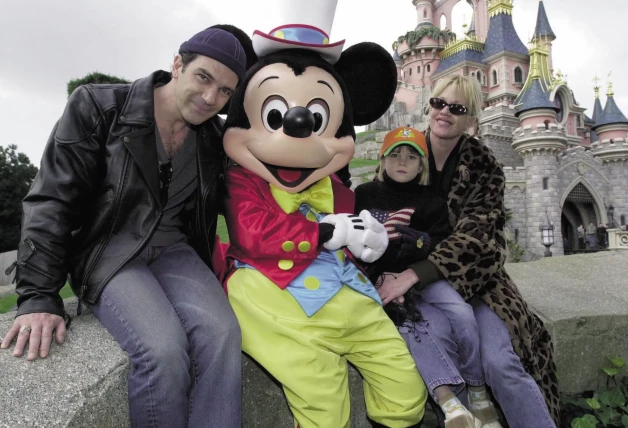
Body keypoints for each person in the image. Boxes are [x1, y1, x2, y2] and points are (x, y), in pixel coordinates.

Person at [0, 26, 256, 428]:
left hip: (175, 252)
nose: (210, 98)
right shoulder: (99, 107)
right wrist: (38, 296)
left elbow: (258, 181)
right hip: (111, 253)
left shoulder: (213, 138)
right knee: (163, 350)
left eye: (225, 92)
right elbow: (53, 198)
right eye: (203, 78)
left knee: (223, 334)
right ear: (177, 65)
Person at [376, 74, 559, 428]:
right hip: (419, 289)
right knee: (442, 349)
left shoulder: (483, 165)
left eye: (457, 108)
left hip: (480, 285)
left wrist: (414, 273)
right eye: (438, 104)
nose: (444, 113)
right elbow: (380, 217)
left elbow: (478, 239)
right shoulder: (405, 151)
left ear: (471, 119)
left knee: (500, 362)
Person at [355, 127, 500, 428]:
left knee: (461, 313)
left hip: (425, 279)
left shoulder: (431, 199)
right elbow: (355, 241)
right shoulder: (366, 194)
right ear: (382, 158)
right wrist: (374, 278)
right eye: (395, 154)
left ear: (422, 165)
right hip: (385, 282)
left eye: (411, 156)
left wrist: (422, 242)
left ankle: (476, 388)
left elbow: (441, 240)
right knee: (413, 328)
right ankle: (448, 402)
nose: (402, 161)